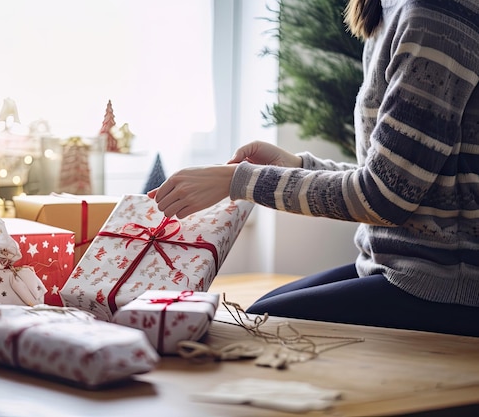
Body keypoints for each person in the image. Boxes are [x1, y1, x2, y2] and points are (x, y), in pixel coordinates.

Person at [148, 0, 479, 337]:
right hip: (394, 269)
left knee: (261, 326)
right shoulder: (388, 11)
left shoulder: (434, 16)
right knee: (258, 314)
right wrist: (296, 166)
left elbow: (384, 197)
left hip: (446, 286)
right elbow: (393, 178)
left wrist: (239, 180)